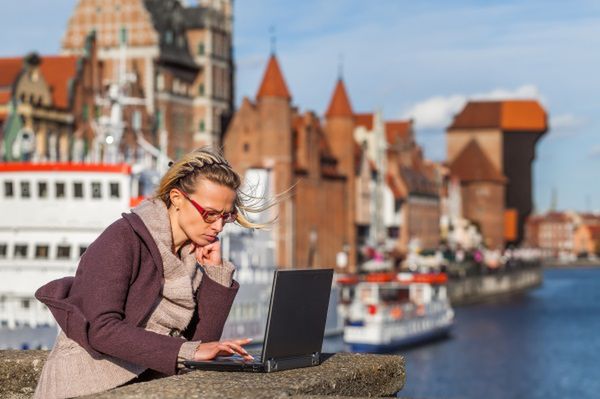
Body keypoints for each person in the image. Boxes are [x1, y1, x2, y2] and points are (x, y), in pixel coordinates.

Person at [33, 148, 268, 398]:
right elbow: (100, 328)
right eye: (209, 214)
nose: (219, 226)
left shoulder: (191, 258)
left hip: (142, 386)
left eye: (226, 216)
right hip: (84, 386)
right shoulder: (122, 239)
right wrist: (187, 352)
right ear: (177, 198)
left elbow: (199, 348)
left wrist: (215, 273)